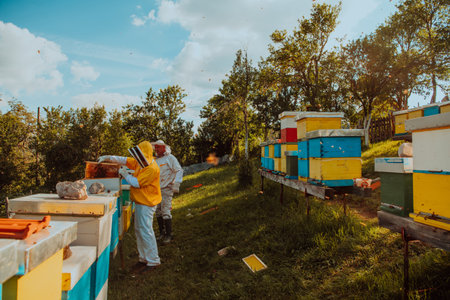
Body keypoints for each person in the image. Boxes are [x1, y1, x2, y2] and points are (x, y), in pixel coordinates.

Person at [98, 141, 161, 274]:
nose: (138, 157)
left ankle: (153, 260)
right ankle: (143, 259)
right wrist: (108, 157)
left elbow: (136, 183)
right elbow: (123, 159)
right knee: (139, 230)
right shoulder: (140, 162)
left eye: (140, 154)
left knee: (146, 231)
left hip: (147, 203)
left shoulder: (151, 168)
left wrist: (125, 174)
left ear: (145, 153)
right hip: (140, 201)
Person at [151, 140, 183, 244]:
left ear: (164, 148)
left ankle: (169, 235)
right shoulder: (155, 160)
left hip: (166, 189)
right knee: (158, 211)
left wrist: (177, 183)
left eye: (158, 147)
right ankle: (162, 233)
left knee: (165, 211)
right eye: (155, 148)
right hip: (157, 189)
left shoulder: (170, 158)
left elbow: (179, 170)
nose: (156, 149)